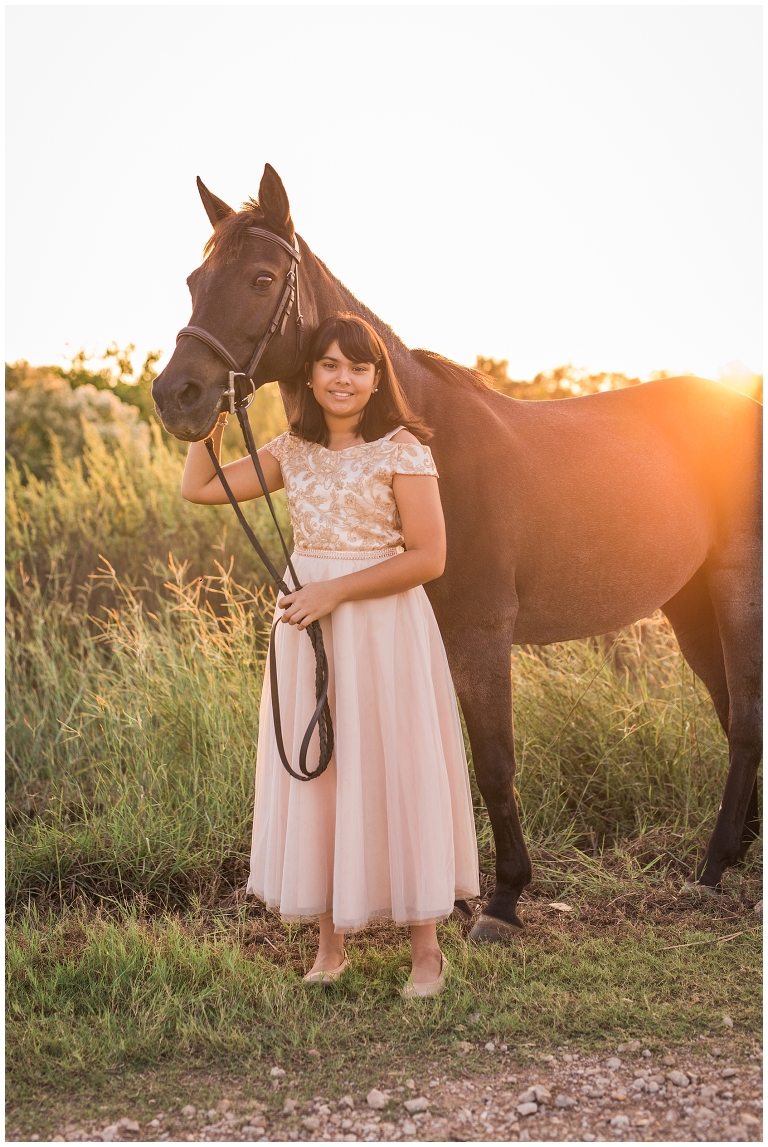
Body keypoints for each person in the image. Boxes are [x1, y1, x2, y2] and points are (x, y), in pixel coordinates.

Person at [182, 313, 479, 997]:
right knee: (322, 768)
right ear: (310, 377)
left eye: (358, 367)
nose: (343, 378)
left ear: (377, 380)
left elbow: (429, 556)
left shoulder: (402, 449)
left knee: (395, 764)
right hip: (309, 627)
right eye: (330, 365)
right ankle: (329, 945)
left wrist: (332, 592)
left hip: (382, 625)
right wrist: (211, 420)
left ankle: (426, 951)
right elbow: (200, 487)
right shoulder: (292, 450)